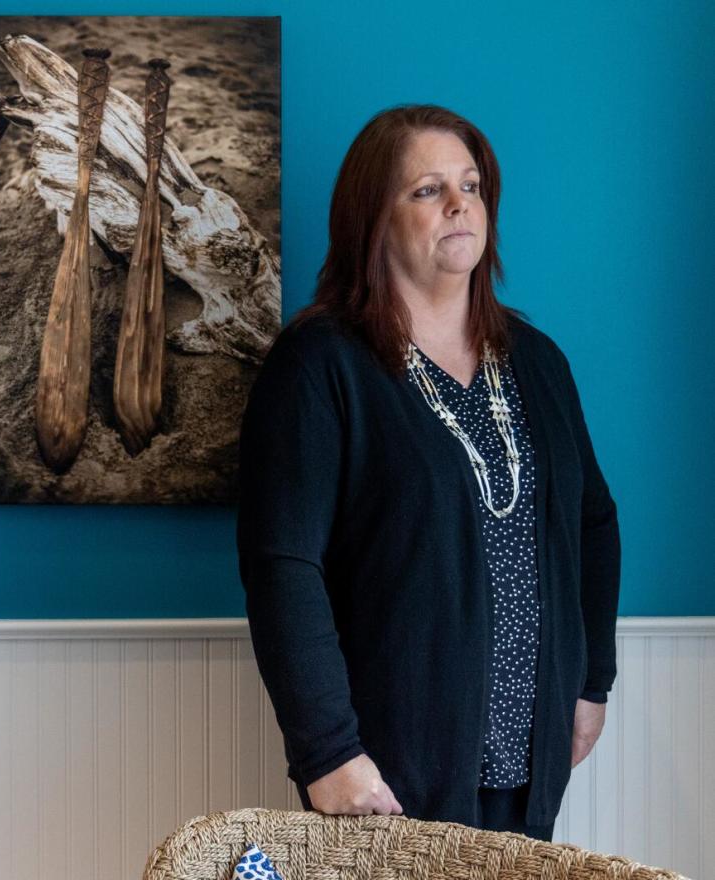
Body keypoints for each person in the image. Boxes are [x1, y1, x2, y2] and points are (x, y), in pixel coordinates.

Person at [235, 104, 620, 842]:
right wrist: (329, 751)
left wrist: (590, 684)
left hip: (530, 759)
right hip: (384, 770)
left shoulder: (538, 362)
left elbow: (593, 523)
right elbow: (283, 565)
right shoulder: (320, 365)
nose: (458, 204)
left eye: (471, 185)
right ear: (371, 219)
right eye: (427, 189)